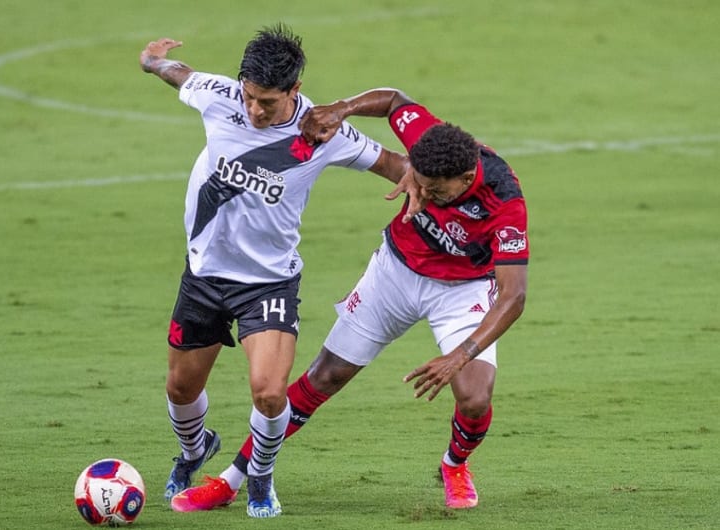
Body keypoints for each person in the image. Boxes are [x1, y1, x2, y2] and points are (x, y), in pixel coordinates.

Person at [172, 87, 529, 512]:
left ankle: (454, 465)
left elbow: (513, 296)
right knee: (324, 377)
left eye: (436, 190)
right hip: (394, 273)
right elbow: (395, 100)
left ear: (467, 179)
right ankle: (232, 480)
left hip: (463, 290)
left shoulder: (504, 202)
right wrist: (343, 109)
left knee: (474, 396)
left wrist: (461, 355)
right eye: (421, 182)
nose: (424, 194)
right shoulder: (432, 143)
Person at [139, 26, 419, 518]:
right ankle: (192, 452)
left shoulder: (322, 131)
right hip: (204, 275)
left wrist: (423, 171)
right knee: (180, 389)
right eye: (248, 97)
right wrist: (152, 59)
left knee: (269, 393)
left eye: (266, 102)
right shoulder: (219, 96)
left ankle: (260, 478)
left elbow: (392, 163)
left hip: (268, 282)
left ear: (294, 91)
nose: (253, 111)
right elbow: (175, 73)